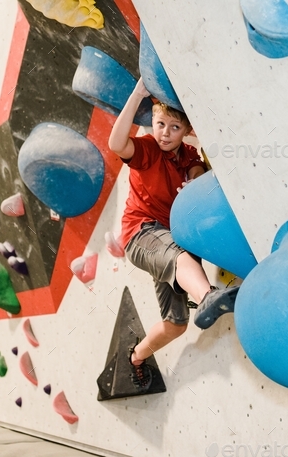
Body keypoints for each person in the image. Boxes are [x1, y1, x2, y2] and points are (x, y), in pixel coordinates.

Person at [108, 78, 239, 392]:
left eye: (174, 128)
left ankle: (135, 357)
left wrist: (195, 183)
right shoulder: (148, 149)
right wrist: (138, 93)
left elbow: (197, 173)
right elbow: (116, 144)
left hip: (172, 240)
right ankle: (208, 297)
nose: (165, 133)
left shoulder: (188, 155)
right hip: (142, 234)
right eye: (160, 124)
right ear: (152, 122)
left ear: (187, 131)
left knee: (176, 325)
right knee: (180, 257)